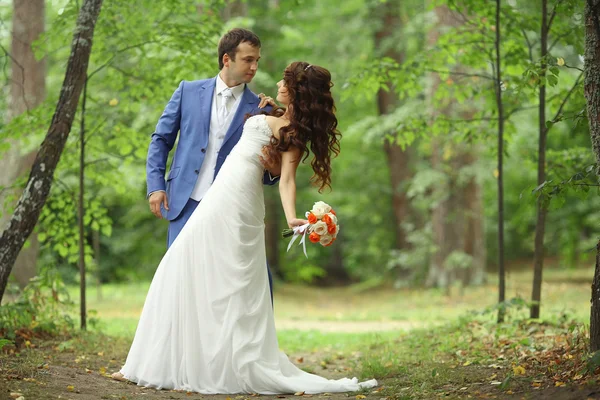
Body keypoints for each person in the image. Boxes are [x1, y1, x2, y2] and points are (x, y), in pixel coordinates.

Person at [111, 61, 378, 394]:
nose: (279, 81)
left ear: (297, 89)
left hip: (240, 202)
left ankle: (223, 364)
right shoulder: (273, 113)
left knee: (230, 280)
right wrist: (269, 110)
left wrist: (292, 215)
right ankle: (158, 361)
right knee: (179, 265)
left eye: (287, 79)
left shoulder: (292, 133)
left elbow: (287, 180)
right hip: (219, 196)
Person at [145, 28, 277, 295]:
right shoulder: (188, 91)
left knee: (229, 286)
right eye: (248, 60)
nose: (254, 67)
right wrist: (156, 185)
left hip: (232, 207)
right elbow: (160, 139)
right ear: (227, 59)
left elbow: (266, 169)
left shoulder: (263, 109)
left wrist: (273, 171)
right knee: (179, 282)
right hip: (185, 200)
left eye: (257, 60)